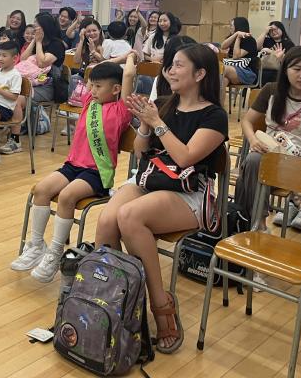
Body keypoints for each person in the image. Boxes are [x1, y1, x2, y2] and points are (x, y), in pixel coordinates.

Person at [93, 43, 227, 354]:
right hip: (151, 177)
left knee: (129, 217)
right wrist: (144, 123)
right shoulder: (163, 104)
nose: (170, 71)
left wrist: (157, 123)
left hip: (188, 191)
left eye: (178, 65)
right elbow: (141, 152)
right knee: (107, 221)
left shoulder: (214, 115)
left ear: (200, 74)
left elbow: (186, 157)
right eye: (170, 65)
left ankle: (160, 304)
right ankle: (115, 302)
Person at [12, 59, 137, 282]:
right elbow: (91, 71)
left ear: (116, 89)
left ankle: (55, 252)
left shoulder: (121, 110)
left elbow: (128, 75)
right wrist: (110, 63)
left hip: (96, 173)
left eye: (99, 86)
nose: (93, 90)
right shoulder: (90, 102)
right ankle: (37, 245)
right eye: (92, 85)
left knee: (67, 196)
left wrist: (129, 56)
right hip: (72, 166)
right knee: (41, 190)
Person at [234, 47, 301, 252]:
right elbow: (247, 121)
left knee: (248, 173)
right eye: (297, 69)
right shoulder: (271, 91)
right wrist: (253, 139)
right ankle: (259, 224)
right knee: (253, 160)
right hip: (270, 159)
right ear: (285, 69)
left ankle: (250, 224)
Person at [0, 12, 67, 155]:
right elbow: (23, 59)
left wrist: (38, 42)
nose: (35, 27)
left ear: (45, 27)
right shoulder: (38, 42)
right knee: (3, 93)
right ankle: (6, 127)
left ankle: (15, 141)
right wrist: (34, 41)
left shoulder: (57, 44)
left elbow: (42, 62)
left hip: (48, 85)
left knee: (16, 100)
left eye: (37, 25)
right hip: (30, 82)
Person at [148, 35, 198, 102]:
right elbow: (154, 104)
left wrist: (172, 83)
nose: (172, 71)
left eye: (179, 65)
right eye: (172, 64)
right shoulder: (160, 80)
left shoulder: (198, 83)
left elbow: (186, 106)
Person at [220, 17, 260, 87]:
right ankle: (215, 94)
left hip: (248, 72)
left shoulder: (250, 40)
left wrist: (238, 38)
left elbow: (236, 56)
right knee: (224, 80)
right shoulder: (232, 38)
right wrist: (236, 34)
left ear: (238, 26)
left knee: (223, 68)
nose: (230, 28)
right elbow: (223, 46)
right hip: (234, 69)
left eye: (231, 25)